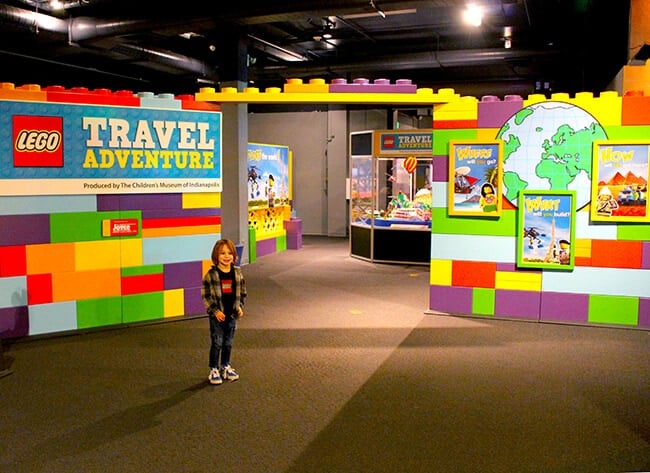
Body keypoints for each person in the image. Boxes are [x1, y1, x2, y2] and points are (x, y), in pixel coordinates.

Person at [202, 239, 246, 385]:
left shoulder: (237, 273)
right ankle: (214, 368)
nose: (226, 256)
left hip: (231, 316)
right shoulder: (211, 275)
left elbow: (242, 293)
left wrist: (239, 306)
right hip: (217, 318)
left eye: (229, 253)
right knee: (217, 343)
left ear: (234, 255)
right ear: (216, 256)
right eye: (222, 253)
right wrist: (215, 311)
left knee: (228, 343)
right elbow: (206, 296)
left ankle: (225, 366)